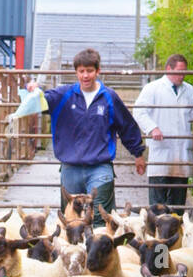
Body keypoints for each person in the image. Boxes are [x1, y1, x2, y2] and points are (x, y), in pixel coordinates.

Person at [27, 48, 146, 228]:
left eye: (90, 71)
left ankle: (99, 252)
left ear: (98, 71)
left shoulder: (109, 98)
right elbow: (42, 101)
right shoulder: (64, 95)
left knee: (99, 218)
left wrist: (138, 153)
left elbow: (127, 125)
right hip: (70, 167)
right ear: (76, 72)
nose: (85, 76)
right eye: (81, 71)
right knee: (72, 219)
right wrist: (35, 91)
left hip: (100, 168)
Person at [133, 54, 193, 209]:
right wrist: (152, 128)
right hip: (161, 152)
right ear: (168, 69)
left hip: (181, 154)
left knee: (178, 203)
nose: (182, 76)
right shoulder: (152, 89)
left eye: (185, 72)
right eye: (179, 72)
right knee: (158, 204)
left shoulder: (189, 91)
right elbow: (139, 112)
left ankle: (176, 229)